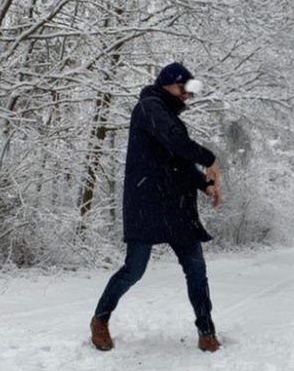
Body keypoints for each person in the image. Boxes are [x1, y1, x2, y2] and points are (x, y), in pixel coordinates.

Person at [90, 62, 222, 353]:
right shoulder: (148, 108)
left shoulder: (169, 116)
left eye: (190, 92)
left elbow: (179, 159)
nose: (187, 96)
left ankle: (206, 331)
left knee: (196, 270)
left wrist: (204, 183)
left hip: (176, 207)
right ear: (167, 84)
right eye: (183, 89)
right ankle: (100, 319)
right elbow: (177, 143)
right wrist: (209, 158)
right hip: (146, 205)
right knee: (134, 270)